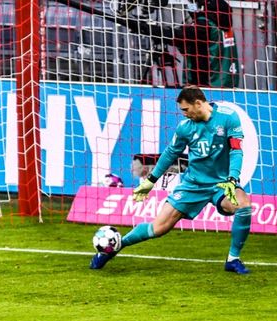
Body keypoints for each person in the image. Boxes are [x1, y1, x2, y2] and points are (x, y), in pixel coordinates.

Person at [90, 85, 253, 274]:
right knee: (159, 228)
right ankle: (115, 248)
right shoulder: (185, 128)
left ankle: (233, 259)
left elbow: (236, 150)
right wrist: (150, 181)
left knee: (243, 206)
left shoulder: (228, 117)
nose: (184, 114)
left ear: (198, 103)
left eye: (185, 109)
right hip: (194, 185)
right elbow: (169, 154)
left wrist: (232, 178)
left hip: (222, 184)